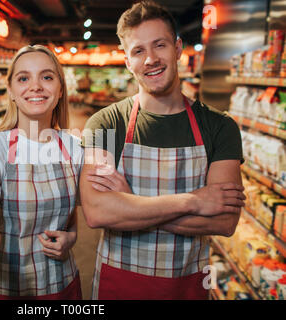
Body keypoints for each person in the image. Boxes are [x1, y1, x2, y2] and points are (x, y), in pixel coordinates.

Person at [80, 1, 245, 300]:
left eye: (160, 45)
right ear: (128, 61)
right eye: (138, 50)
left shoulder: (220, 127)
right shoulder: (104, 124)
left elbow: (224, 221)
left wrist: (131, 204)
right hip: (120, 284)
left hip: (188, 285)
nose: (151, 59)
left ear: (178, 48)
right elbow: (97, 212)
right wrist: (194, 201)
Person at [0, 45, 83, 300]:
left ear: (60, 90)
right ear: (11, 92)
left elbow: (71, 220)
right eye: (23, 78)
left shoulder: (75, 147)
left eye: (46, 77)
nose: (35, 86)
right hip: (4, 289)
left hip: (61, 285)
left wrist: (71, 238)